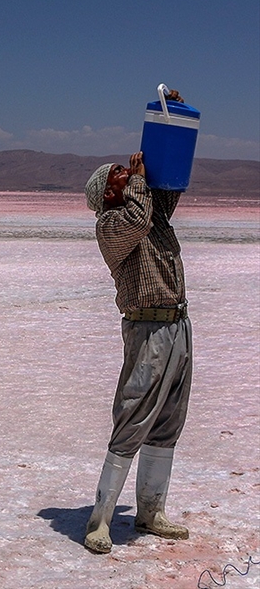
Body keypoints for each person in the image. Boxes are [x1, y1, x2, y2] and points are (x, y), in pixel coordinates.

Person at [82, 90, 192, 555]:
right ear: (108, 194)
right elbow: (140, 216)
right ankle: (100, 520)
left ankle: (150, 512)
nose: (128, 174)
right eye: (119, 176)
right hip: (146, 329)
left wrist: (172, 123)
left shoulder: (147, 207)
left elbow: (167, 189)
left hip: (177, 325)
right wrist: (140, 185)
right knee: (133, 416)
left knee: (167, 420)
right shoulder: (111, 226)